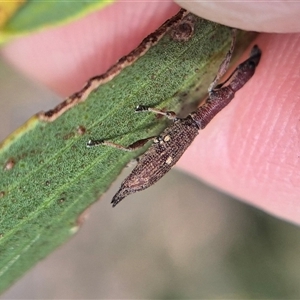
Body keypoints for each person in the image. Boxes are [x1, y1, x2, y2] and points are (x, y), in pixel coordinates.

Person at [2, 1, 299, 224]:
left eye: (220, 95)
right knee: (148, 140)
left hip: (149, 170)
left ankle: (104, 144)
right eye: (221, 94)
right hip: (158, 160)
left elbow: (222, 88)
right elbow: (221, 87)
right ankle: (106, 150)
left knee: (139, 146)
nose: (222, 91)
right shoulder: (190, 123)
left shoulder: (187, 124)